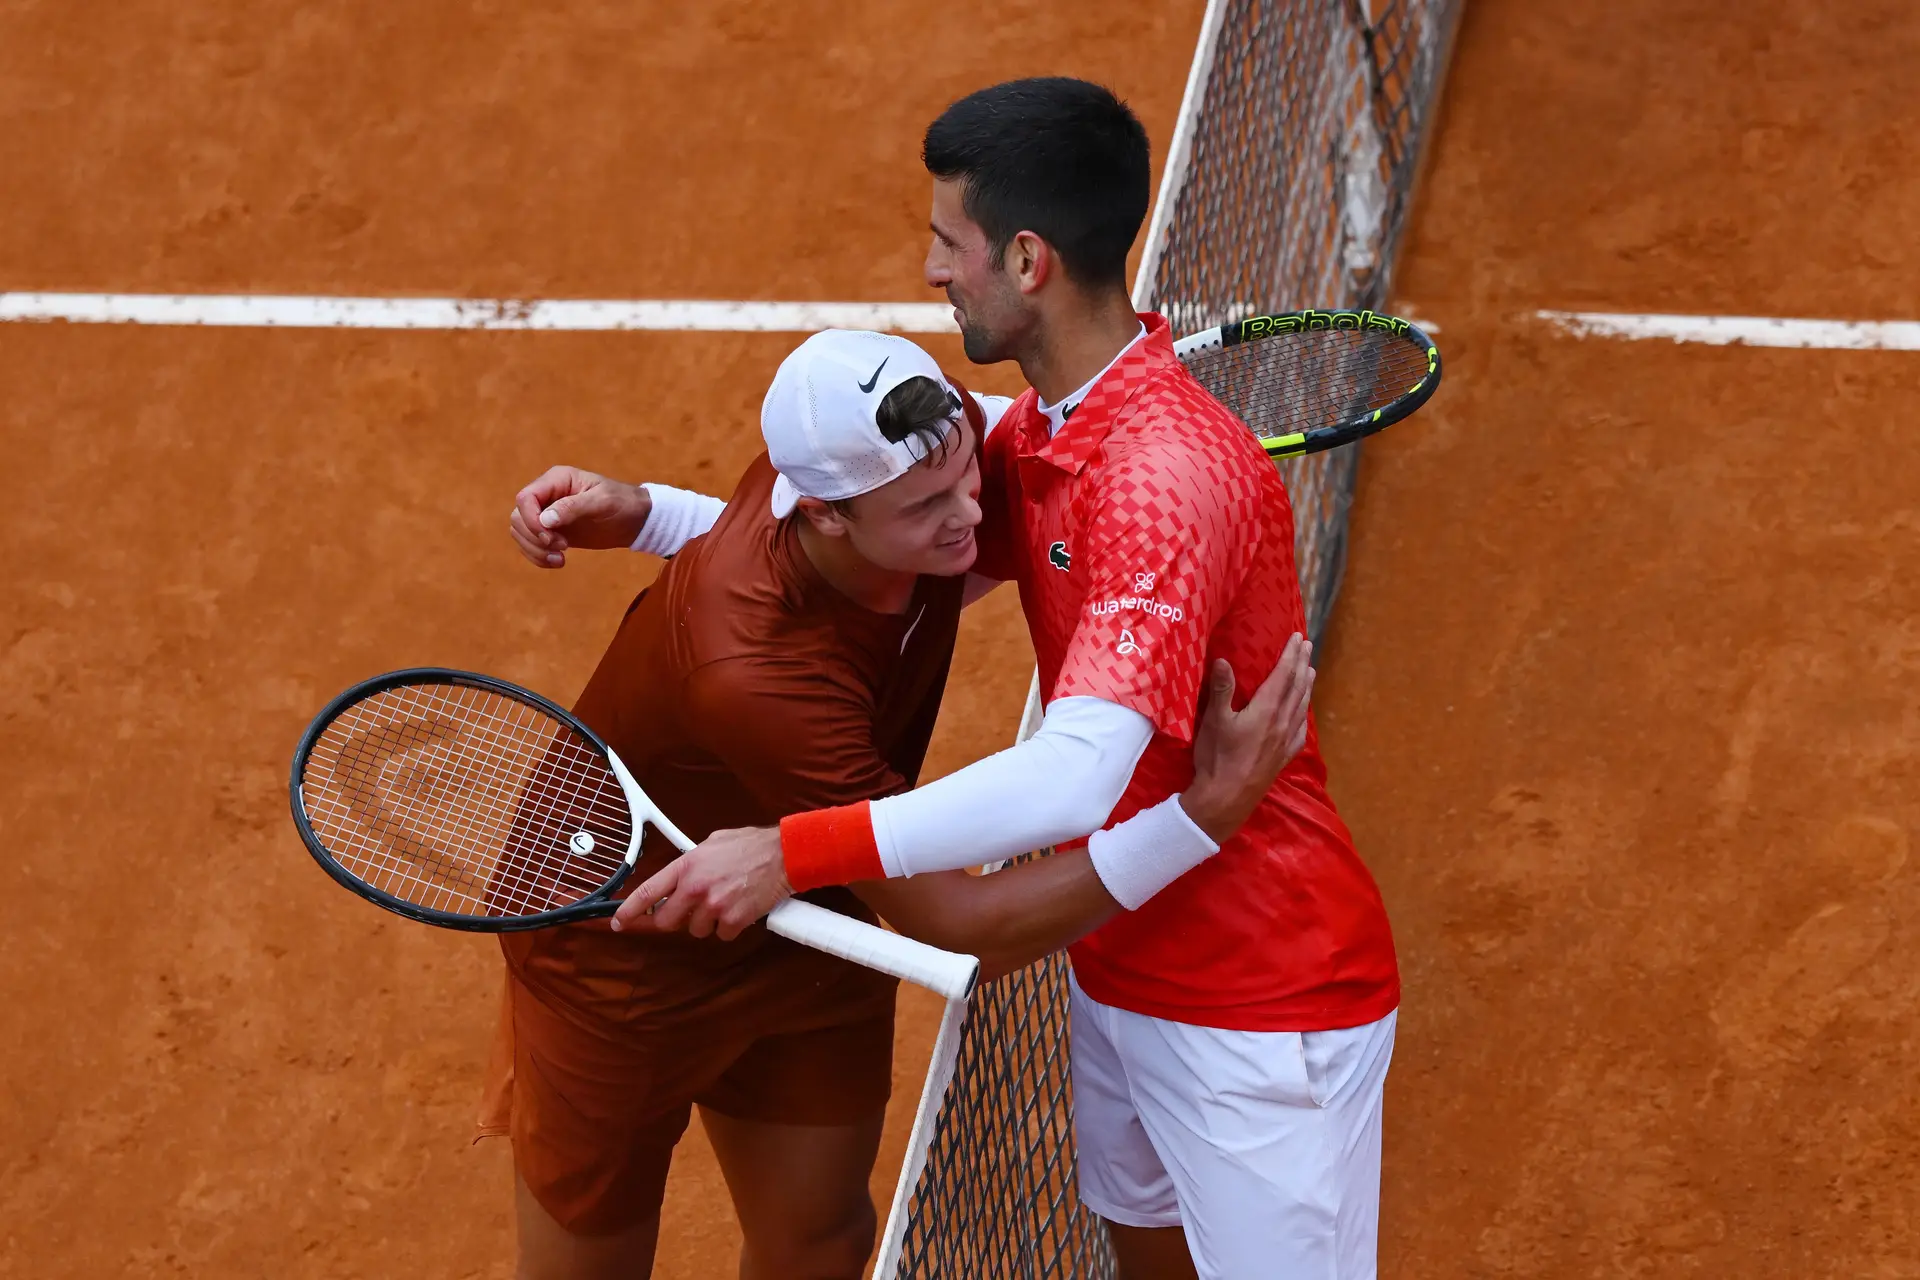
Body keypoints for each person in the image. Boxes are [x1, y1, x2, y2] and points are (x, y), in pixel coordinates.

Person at [626, 78, 1402, 1280]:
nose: (933, 267)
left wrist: (796, 847)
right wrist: (647, 517)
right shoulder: (1040, 432)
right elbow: (863, 533)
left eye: (950, 241)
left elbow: (1080, 775)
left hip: (1263, 1004)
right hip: (1119, 962)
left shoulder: (1155, 481)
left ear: (1027, 259)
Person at [486, 326, 1317, 1280]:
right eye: (928, 507)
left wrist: (652, 513)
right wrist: (1196, 821)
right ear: (827, 514)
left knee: (823, 1246)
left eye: (967, 475)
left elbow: (802, 553)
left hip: (813, 916)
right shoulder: (752, 674)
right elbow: (962, 930)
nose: (972, 514)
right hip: (622, 965)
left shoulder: (901, 440)